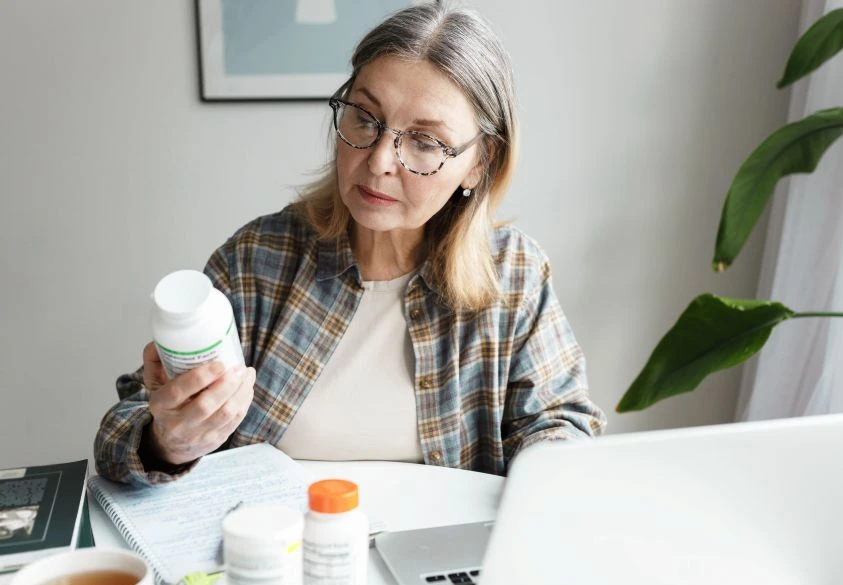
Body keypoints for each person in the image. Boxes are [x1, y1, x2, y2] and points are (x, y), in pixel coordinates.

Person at [94, 2, 606, 487]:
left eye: (425, 141)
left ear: (479, 162)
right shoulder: (258, 259)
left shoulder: (513, 272)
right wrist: (165, 440)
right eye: (365, 117)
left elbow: (561, 422)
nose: (381, 160)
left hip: (436, 558)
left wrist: (550, 461)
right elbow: (123, 428)